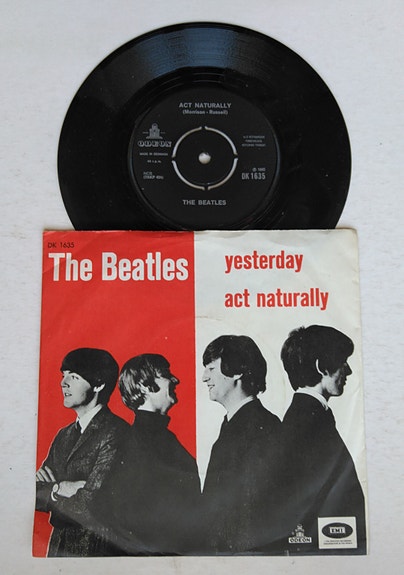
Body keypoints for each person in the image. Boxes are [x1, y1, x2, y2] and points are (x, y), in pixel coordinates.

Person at [92, 353, 201, 555]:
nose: (175, 380)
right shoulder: (133, 441)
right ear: (144, 386)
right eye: (165, 374)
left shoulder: (160, 438)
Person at [279, 325, 366, 554]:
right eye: (342, 361)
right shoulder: (309, 420)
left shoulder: (308, 414)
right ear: (321, 367)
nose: (348, 371)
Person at [35, 347, 128, 557]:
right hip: (58, 548)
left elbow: (92, 504)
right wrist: (59, 488)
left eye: (74, 377)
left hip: (96, 550)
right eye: (64, 375)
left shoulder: (116, 432)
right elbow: (34, 493)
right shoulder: (64, 434)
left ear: (99, 384)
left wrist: (51, 491)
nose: (63, 383)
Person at [201, 335, 281, 554]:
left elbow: (252, 513)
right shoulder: (236, 422)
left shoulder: (261, 426)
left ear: (237, 371)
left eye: (211, 368)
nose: (204, 378)